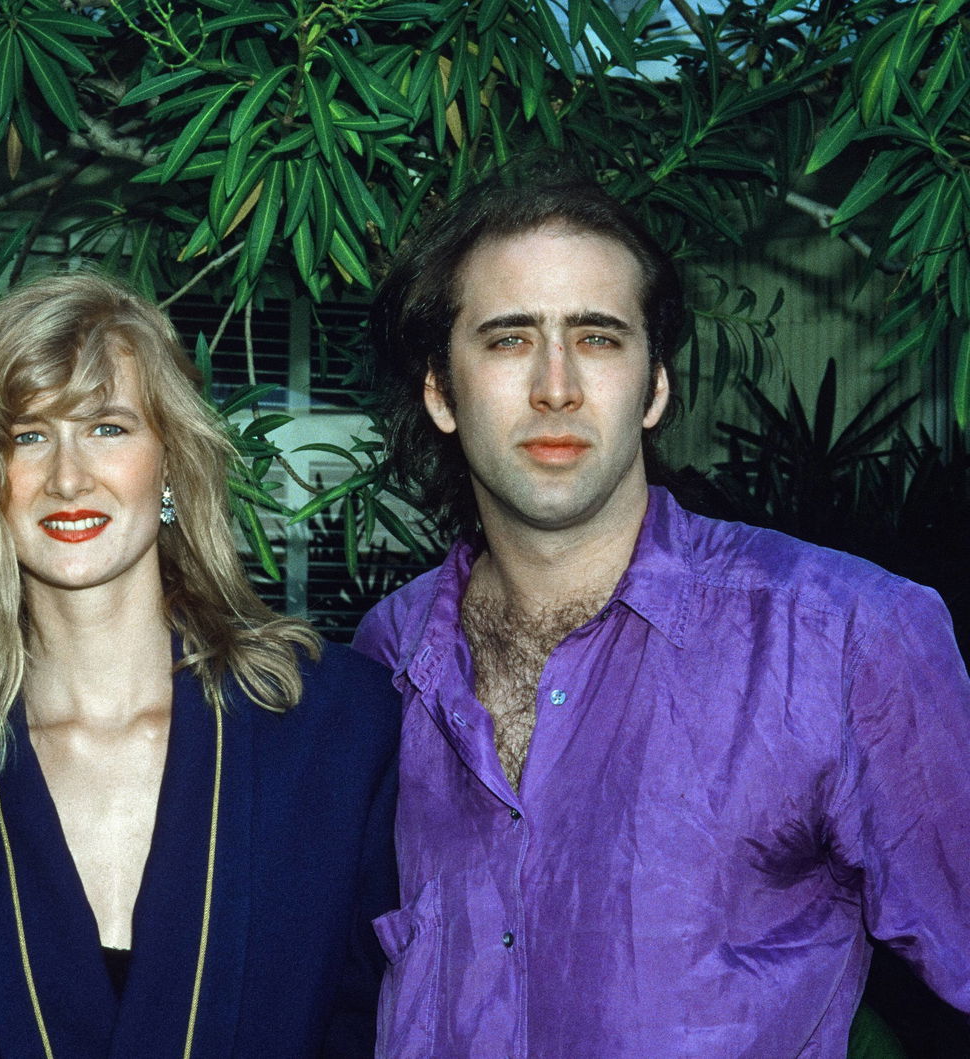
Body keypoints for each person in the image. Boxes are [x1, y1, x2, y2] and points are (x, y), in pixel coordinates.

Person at [354, 173, 970, 1055]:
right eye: (508, 338)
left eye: (598, 338)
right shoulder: (385, 662)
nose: (556, 386)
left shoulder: (842, 638)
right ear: (441, 394)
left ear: (654, 390)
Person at [0, 271, 399, 1057]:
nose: (69, 476)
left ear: (170, 463)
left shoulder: (337, 730)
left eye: (107, 426)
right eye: (28, 435)